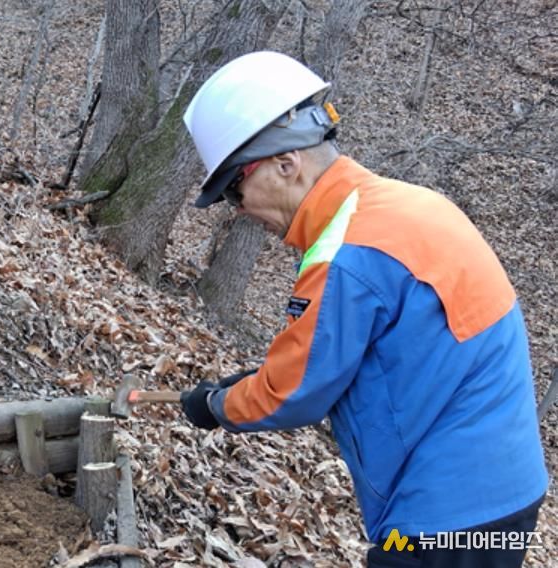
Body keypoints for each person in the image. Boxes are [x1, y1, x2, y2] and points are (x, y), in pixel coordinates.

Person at [178, 51, 548, 568]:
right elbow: (372, 356)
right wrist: (254, 383)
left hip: (445, 518)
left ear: (287, 164)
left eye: (235, 188)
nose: (238, 209)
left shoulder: (347, 254)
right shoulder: (406, 206)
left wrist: (215, 406)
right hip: (504, 499)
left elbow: (292, 395)